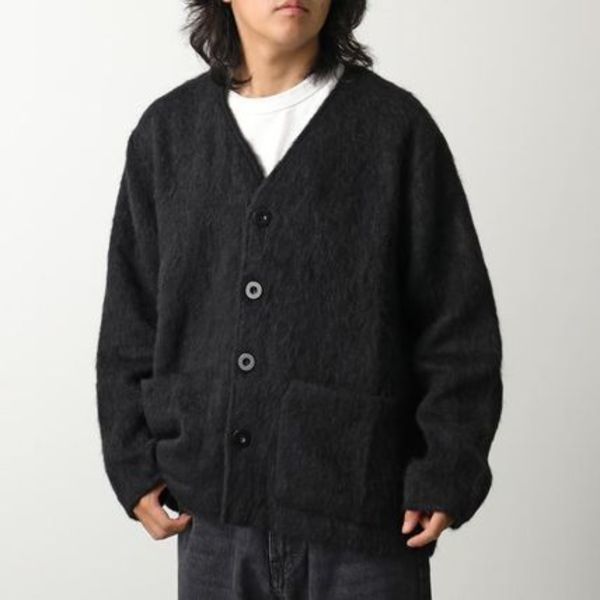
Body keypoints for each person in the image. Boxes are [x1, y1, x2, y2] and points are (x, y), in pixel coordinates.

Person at [95, 1, 503, 598]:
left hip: (365, 516)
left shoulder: (395, 129)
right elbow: (131, 318)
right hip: (213, 522)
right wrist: (133, 462)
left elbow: (457, 323)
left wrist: (446, 467)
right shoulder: (168, 134)